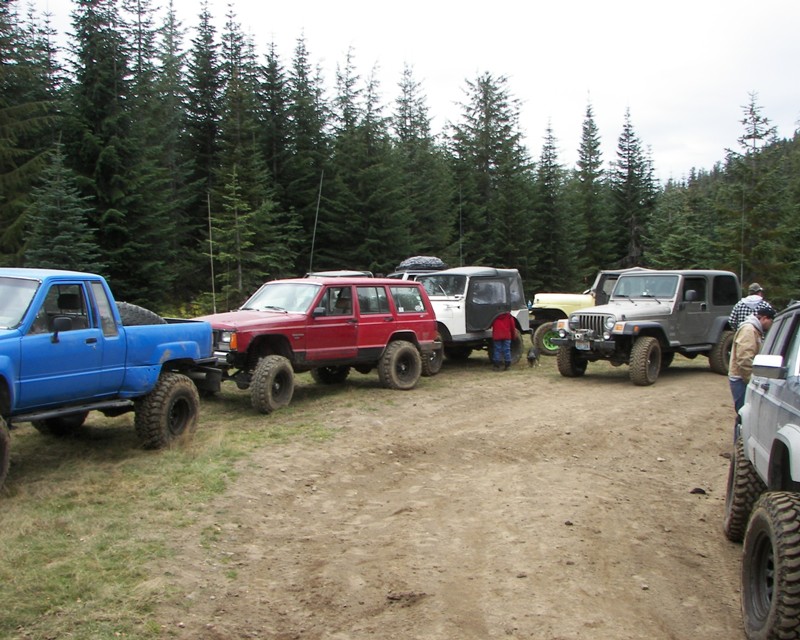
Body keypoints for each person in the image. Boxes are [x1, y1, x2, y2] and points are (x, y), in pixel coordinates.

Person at [728, 300, 776, 438]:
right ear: (765, 318)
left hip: (742, 377)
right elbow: (744, 359)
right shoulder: (749, 330)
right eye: (771, 322)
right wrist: (751, 381)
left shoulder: (754, 329)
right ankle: (739, 447)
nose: (771, 326)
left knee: (744, 413)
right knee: (744, 414)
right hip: (740, 379)